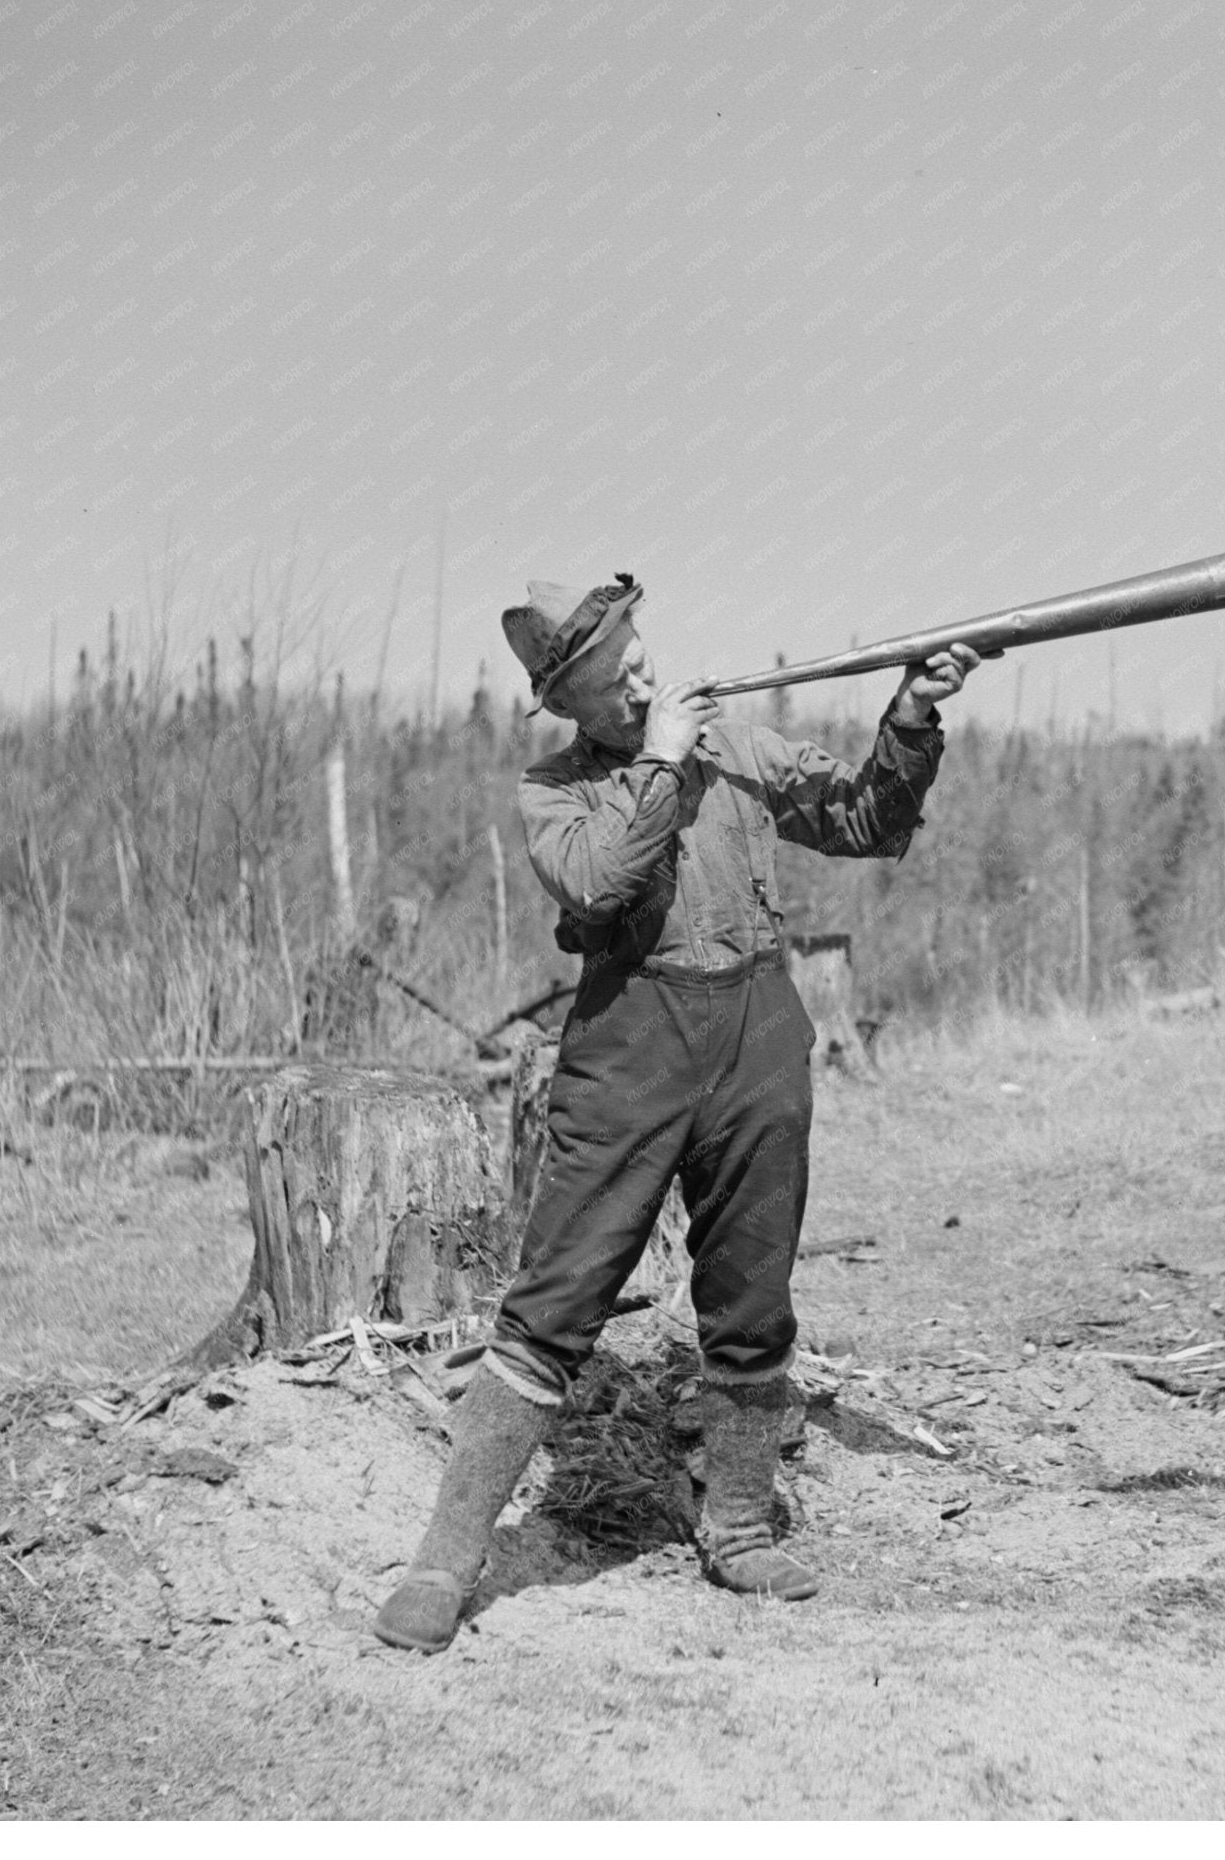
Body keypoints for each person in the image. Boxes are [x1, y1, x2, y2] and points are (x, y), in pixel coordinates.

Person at [374, 572, 978, 1652]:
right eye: (617, 681)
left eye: (641, 657)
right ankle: (444, 1558)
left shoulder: (732, 749)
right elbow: (603, 885)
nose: (644, 681)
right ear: (572, 702)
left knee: (751, 1287)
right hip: (630, 1046)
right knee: (555, 1299)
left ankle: (738, 1524)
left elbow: (867, 822)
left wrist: (912, 712)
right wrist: (660, 756)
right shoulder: (550, 791)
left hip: (755, 1030)